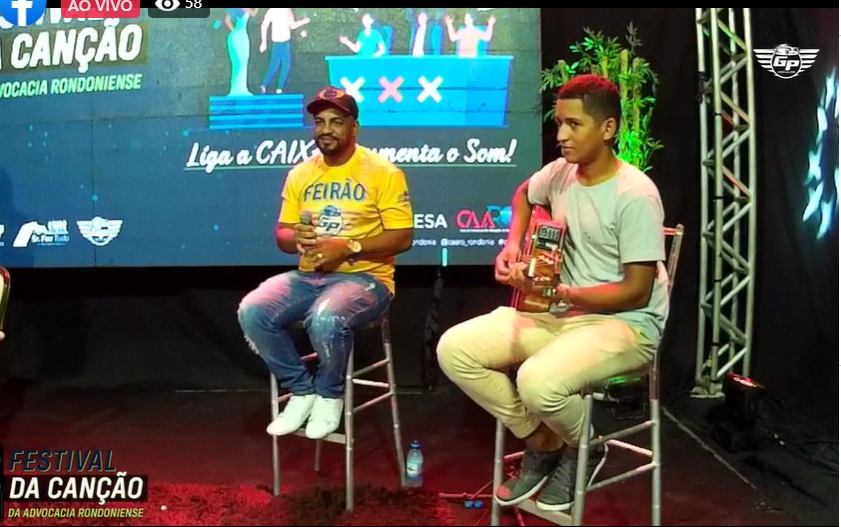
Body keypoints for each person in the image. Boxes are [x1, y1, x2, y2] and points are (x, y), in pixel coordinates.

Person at [436, 74, 669, 511]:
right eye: (559, 123)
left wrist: (560, 292)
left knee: (537, 380)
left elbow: (636, 293)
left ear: (607, 128)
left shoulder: (635, 194)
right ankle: (543, 440)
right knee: (455, 349)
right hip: (561, 315)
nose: (561, 135)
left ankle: (587, 447)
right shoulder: (560, 174)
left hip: (625, 325)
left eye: (574, 124)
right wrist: (512, 244)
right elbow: (524, 194)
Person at [237, 86, 414, 440]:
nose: (326, 130)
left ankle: (330, 395)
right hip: (310, 276)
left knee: (326, 317)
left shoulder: (383, 172)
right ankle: (301, 390)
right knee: (253, 310)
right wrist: (297, 237)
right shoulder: (301, 174)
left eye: (336, 121)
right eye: (320, 122)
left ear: (354, 127)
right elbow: (282, 236)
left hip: (366, 279)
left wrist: (347, 247)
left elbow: (402, 237)